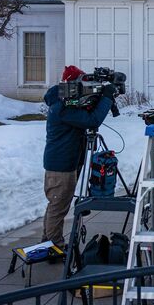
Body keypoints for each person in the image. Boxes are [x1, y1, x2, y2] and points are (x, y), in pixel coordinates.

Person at [41, 65, 116, 247]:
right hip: (61, 166)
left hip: (65, 162)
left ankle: (48, 243)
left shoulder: (65, 101)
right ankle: (54, 245)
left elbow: (87, 114)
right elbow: (92, 120)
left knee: (56, 205)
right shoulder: (62, 107)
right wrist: (106, 97)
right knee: (58, 206)